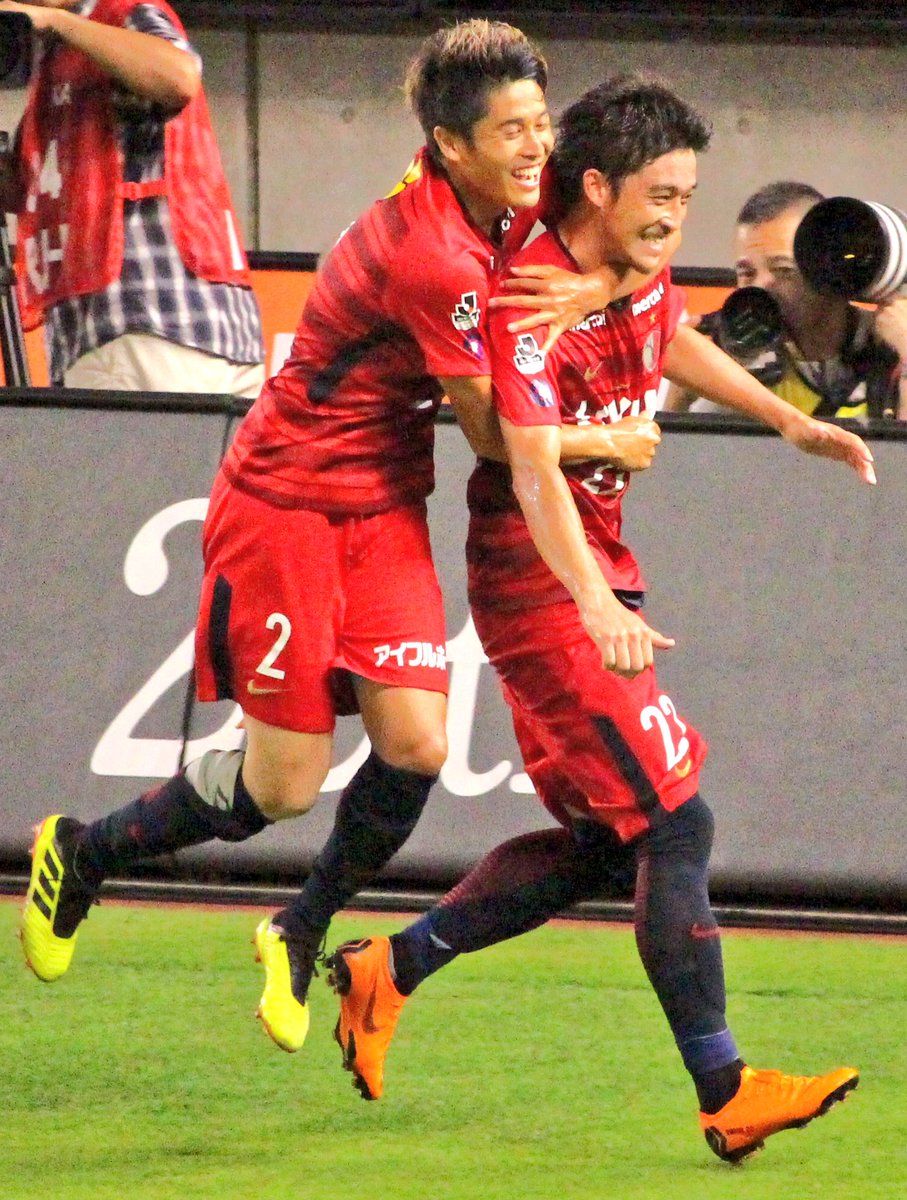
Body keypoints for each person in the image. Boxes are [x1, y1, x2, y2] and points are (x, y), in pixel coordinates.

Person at [19, 20, 656, 1058]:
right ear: (449, 145)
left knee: (418, 746)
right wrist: (609, 440)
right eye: (512, 131)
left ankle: (299, 925)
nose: (537, 146)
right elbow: (493, 435)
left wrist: (590, 286)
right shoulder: (433, 255)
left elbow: (632, 246)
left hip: (384, 501)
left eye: (540, 122)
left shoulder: (513, 193)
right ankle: (81, 855)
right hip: (286, 505)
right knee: (280, 786)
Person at [326, 77, 872, 1164]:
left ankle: (390, 969)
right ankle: (726, 1090)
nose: (675, 217)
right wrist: (588, 605)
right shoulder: (526, 297)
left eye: (686, 194)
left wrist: (785, 421)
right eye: (661, 195)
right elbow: (527, 465)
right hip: (541, 583)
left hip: (590, 572)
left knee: (603, 843)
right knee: (675, 827)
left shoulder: (624, 257)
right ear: (594, 185)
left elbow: (665, 325)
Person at [0, 0, 264, 395]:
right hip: (185, 329)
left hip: (147, 321)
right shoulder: (59, 65)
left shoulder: (118, 13)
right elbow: (26, 185)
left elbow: (178, 76)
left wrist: (57, 21)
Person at [663, 180, 907, 419]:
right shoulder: (740, 358)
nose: (760, 286)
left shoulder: (891, 346)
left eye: (783, 270)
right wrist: (680, 393)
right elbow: (688, 445)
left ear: (828, 270)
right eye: (747, 273)